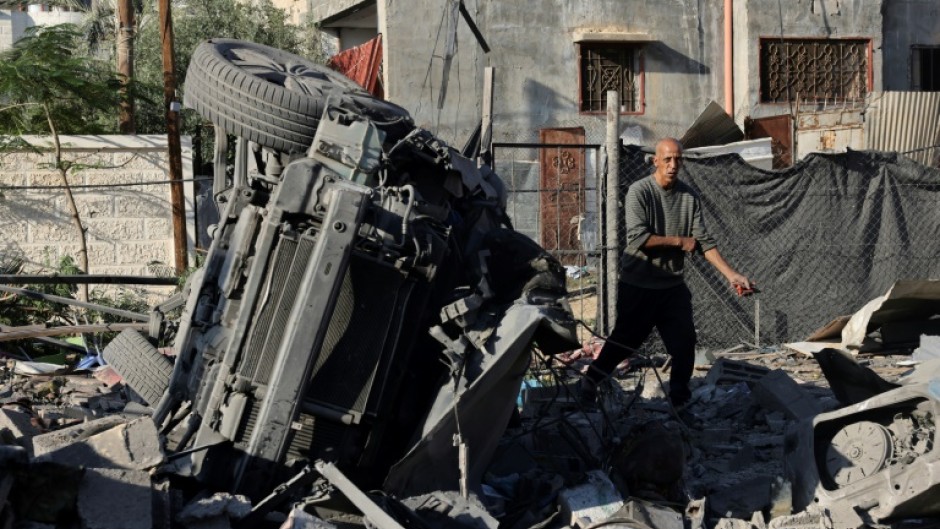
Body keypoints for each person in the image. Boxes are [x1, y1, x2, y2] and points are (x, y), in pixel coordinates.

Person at [581, 138, 751, 407]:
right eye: (668, 159)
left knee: (684, 344)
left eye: (678, 159)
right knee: (625, 341)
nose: (673, 165)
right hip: (638, 285)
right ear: (655, 161)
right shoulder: (640, 191)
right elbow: (638, 238)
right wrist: (679, 241)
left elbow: (703, 241)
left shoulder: (688, 196)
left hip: (671, 287)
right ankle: (590, 380)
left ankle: (680, 402)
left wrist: (732, 275)